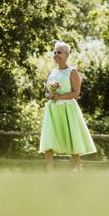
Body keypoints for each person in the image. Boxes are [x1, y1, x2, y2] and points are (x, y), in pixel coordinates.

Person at [39, 41, 96, 171]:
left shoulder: (72, 71)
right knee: (49, 138)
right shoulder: (51, 72)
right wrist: (49, 95)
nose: (56, 55)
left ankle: (78, 169)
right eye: (54, 52)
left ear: (66, 55)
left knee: (71, 138)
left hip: (68, 109)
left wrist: (59, 97)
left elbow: (76, 93)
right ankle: (50, 171)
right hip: (53, 110)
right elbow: (47, 92)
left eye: (59, 52)